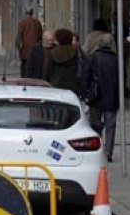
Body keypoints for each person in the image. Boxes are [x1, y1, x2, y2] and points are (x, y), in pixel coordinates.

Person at [80, 33, 119, 162]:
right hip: (112, 96)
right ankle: (108, 152)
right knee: (110, 125)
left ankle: (97, 150)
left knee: (95, 124)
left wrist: (83, 92)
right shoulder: (116, 59)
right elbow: (122, 79)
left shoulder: (92, 58)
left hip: (95, 95)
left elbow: (85, 76)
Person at [44, 28, 80, 95]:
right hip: (73, 87)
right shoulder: (76, 52)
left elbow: (47, 72)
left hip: (56, 87)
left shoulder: (53, 53)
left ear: (58, 39)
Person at [16, 8, 44, 77]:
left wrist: (18, 47)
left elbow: (19, 36)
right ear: (32, 13)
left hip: (25, 50)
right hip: (36, 49)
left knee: (25, 66)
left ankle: (24, 80)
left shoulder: (22, 22)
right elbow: (41, 35)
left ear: (26, 13)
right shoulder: (37, 22)